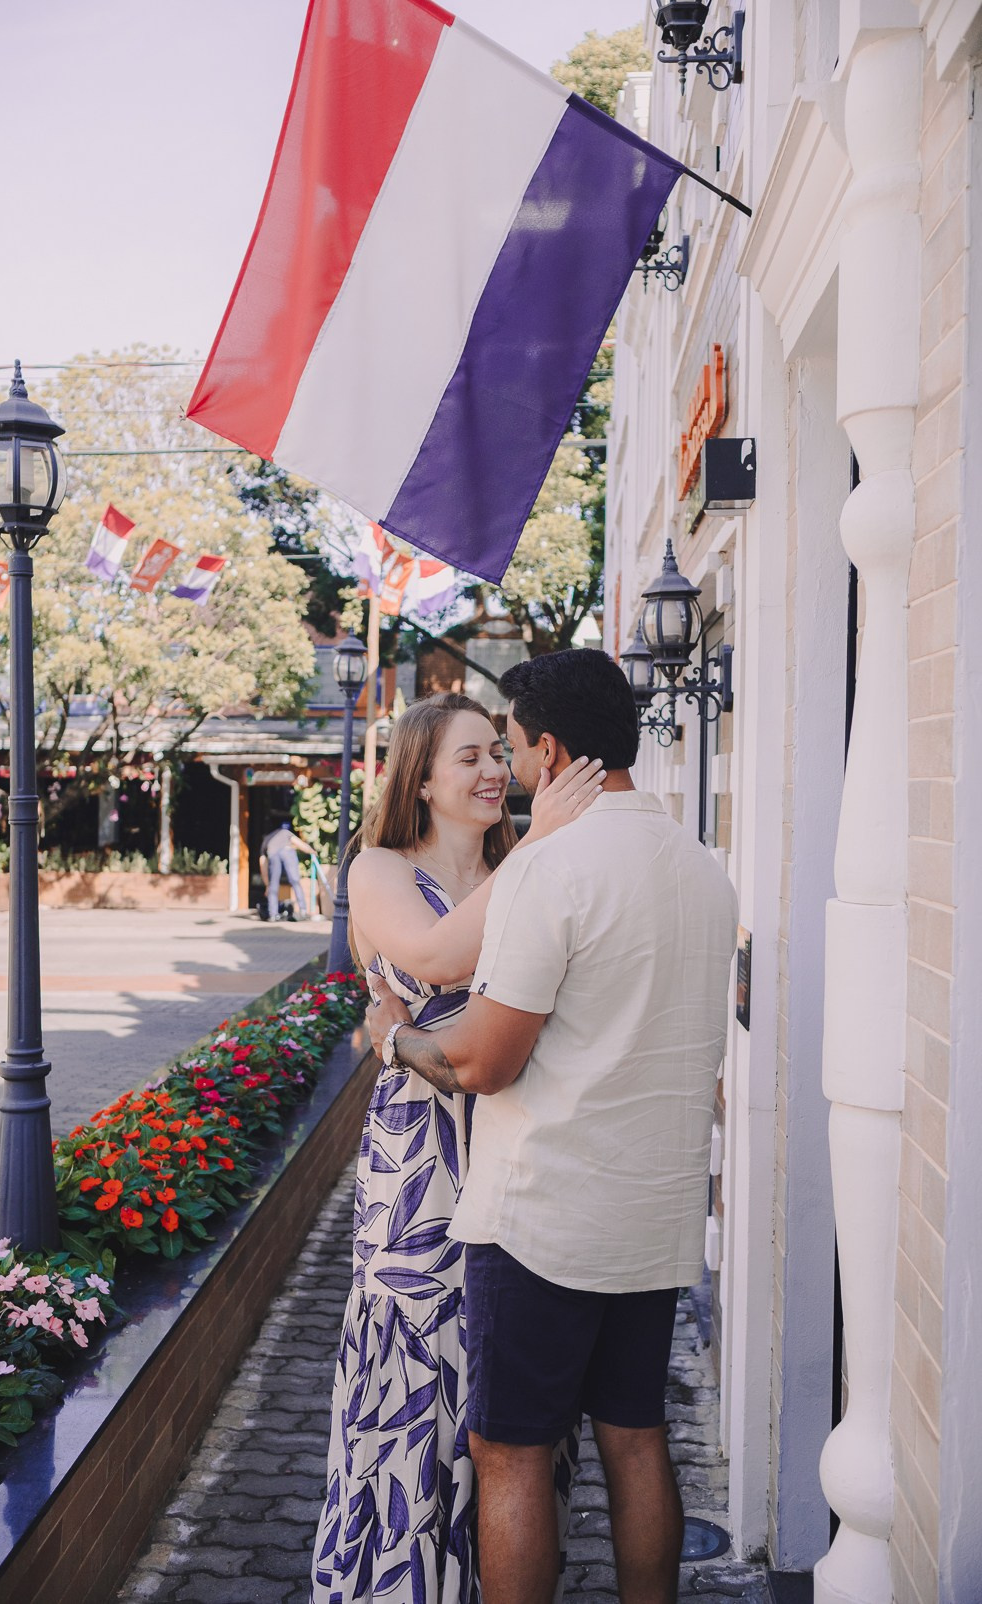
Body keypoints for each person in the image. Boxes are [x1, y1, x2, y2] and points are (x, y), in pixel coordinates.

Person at [366, 650, 739, 1604]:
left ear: (555, 746)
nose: (515, 768)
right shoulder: (703, 868)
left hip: (544, 1215)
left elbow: (487, 1062)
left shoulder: (552, 867)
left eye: (518, 747)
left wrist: (394, 1038)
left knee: (512, 1451)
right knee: (635, 1435)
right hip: (656, 1217)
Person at [311, 692, 606, 1604]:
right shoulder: (379, 870)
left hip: (521, 1150)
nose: (493, 772)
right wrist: (544, 850)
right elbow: (436, 959)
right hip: (420, 1168)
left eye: (496, 754)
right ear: (423, 778)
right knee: (414, 1380)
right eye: (468, 757)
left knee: (505, 1393)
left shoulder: (524, 863)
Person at [261, 821, 312, 921]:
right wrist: (312, 851)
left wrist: (267, 885)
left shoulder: (266, 841)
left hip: (272, 853)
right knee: (295, 880)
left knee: (273, 884)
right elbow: (299, 843)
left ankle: (273, 915)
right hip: (286, 850)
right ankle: (303, 910)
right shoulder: (284, 832)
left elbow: (262, 865)